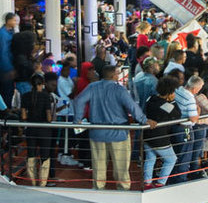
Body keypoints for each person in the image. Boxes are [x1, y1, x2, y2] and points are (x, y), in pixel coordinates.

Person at [72, 62, 154, 190]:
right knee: (121, 169)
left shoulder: (93, 87)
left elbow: (79, 101)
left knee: (98, 168)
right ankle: (123, 192)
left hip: (97, 132)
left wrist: (77, 120)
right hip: (119, 133)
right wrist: (144, 120)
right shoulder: (119, 89)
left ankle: (99, 191)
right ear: (114, 75)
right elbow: (132, 106)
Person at [142, 75, 182, 187]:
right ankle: (161, 182)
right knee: (171, 159)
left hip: (147, 136)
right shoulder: (166, 105)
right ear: (169, 92)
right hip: (160, 139)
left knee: (150, 159)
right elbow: (177, 114)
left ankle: (147, 181)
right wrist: (173, 101)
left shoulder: (151, 99)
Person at [20, 74, 55, 186]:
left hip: (31, 130)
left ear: (31, 84)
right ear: (42, 84)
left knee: (31, 155)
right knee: (45, 157)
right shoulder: (46, 96)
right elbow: (49, 117)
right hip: (44, 130)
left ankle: (33, 182)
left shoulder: (25, 96)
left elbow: (24, 116)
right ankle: (42, 183)